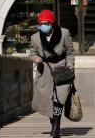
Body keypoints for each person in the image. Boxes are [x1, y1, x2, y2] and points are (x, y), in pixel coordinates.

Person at [29, 9, 75, 138]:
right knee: (47, 98)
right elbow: (32, 52)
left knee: (59, 98)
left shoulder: (64, 33)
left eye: (46, 23)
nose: (43, 25)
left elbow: (70, 52)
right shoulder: (35, 38)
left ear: (51, 23)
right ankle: (54, 123)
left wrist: (70, 66)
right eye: (41, 23)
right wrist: (35, 58)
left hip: (61, 68)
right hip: (45, 70)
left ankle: (56, 127)